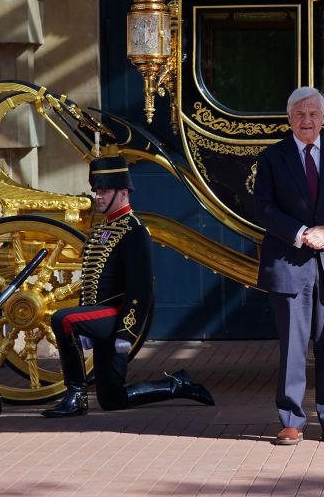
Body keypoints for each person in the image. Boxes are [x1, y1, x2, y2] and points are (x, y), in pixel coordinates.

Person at [41, 154, 214, 417]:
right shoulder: (102, 229)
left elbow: (141, 289)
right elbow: (90, 282)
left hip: (117, 318)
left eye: (105, 190)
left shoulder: (134, 230)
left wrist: (127, 333)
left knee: (63, 319)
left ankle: (75, 395)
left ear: (123, 193)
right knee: (112, 399)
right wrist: (85, 319)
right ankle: (176, 384)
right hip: (96, 318)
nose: (98, 196)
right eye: (96, 190)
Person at [254, 86, 324, 445]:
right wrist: (301, 233)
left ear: (323, 118)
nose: (307, 120)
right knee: (293, 346)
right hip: (289, 264)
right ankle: (291, 420)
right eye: (300, 114)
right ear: (289, 119)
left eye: (313, 114)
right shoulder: (272, 158)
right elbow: (264, 208)